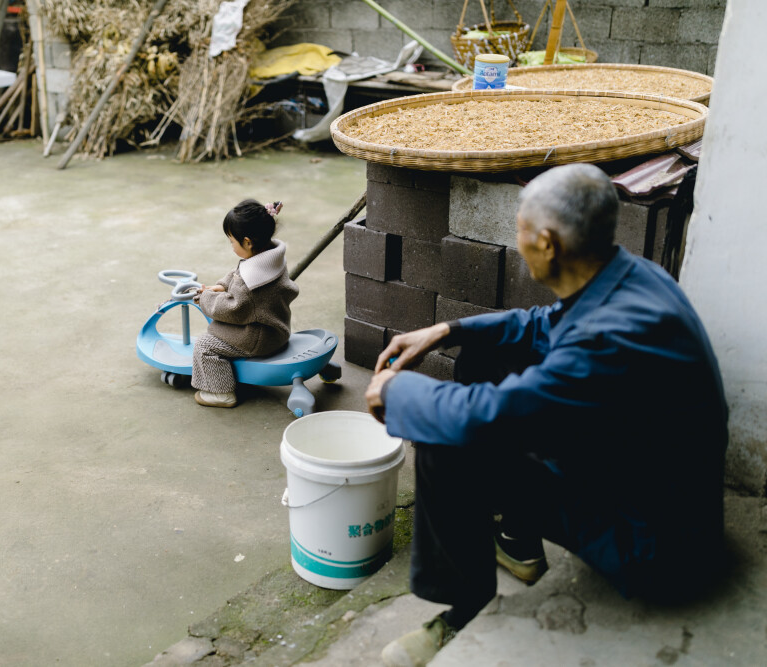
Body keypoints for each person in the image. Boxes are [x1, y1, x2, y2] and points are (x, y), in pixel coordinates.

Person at [364, 164, 728, 667]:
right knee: (484, 353)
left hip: (655, 553)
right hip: (655, 491)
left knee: (446, 441)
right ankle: (517, 543)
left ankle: (465, 610)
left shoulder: (605, 342)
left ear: (548, 243)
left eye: (520, 231)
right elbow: (540, 323)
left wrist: (397, 391)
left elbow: (487, 417)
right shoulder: (629, 274)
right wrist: (446, 330)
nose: (517, 242)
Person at [191, 199, 299, 408]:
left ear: (248, 242)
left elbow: (234, 309)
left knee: (204, 345)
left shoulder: (250, 285)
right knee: (215, 332)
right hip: (276, 327)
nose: (231, 246)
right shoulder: (269, 257)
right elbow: (237, 274)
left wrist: (205, 298)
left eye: (232, 241)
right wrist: (222, 286)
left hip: (259, 338)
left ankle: (220, 393)